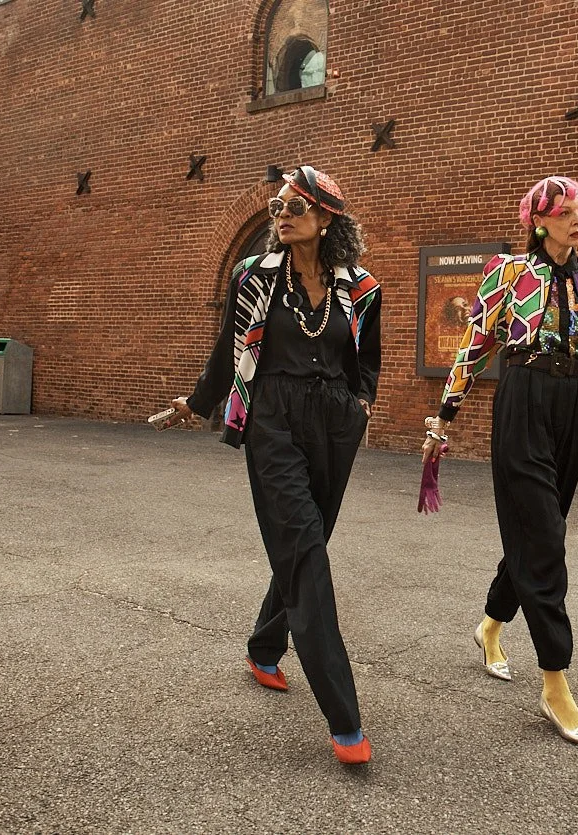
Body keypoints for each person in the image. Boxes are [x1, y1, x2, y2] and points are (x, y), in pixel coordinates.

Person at [422, 176, 578, 749]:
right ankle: (555, 681)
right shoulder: (509, 273)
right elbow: (474, 345)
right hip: (523, 399)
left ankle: (491, 623)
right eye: (564, 213)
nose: (576, 220)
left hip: (573, 404)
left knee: (542, 529)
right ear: (538, 222)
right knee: (543, 536)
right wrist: (444, 415)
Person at [169, 166, 381, 765]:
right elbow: (228, 349)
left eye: (295, 206)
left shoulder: (361, 287)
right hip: (273, 419)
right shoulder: (254, 276)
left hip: (335, 422)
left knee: (305, 540)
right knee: (305, 549)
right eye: (277, 206)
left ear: (326, 218)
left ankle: (264, 648)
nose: (281, 214)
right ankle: (344, 717)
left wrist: (361, 404)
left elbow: (368, 360)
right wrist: (199, 402)